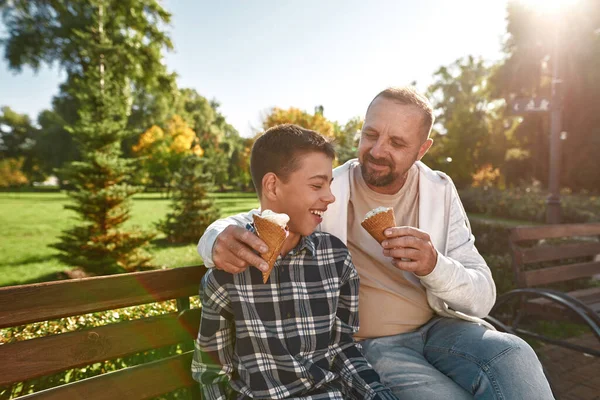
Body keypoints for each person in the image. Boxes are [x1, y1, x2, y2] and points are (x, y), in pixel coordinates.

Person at [198, 87, 555, 399]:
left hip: (441, 329)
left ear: (422, 148)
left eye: (397, 143)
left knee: (513, 354)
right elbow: (267, 209)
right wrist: (215, 238)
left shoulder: (439, 191)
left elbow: (483, 296)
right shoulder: (329, 187)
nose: (377, 150)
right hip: (372, 345)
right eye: (371, 134)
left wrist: (434, 265)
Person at [192, 124, 398, 400]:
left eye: (329, 184)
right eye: (316, 185)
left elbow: (343, 348)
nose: (330, 197)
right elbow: (212, 373)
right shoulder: (227, 275)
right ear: (273, 186)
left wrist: (380, 395)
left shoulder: (335, 258)